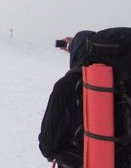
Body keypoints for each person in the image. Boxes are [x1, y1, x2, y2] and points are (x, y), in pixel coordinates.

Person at [38, 30, 95, 168]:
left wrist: (50, 153)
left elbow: (49, 136)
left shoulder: (68, 83)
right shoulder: (120, 79)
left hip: (76, 161)